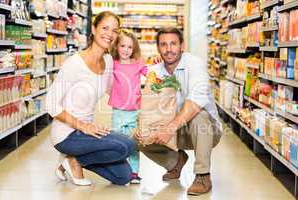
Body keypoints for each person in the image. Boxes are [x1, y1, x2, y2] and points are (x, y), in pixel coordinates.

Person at [45, 11, 135, 186]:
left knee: (123, 176)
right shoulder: (74, 64)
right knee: (126, 146)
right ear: (94, 29)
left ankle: (74, 160)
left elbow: (113, 90)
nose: (110, 34)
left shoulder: (108, 61)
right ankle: (72, 159)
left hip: (88, 131)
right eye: (105, 28)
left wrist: (144, 78)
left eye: (115, 31)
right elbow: (50, 105)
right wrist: (83, 126)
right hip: (67, 134)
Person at [135, 27, 222, 195]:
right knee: (136, 136)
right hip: (173, 130)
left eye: (173, 44)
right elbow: (151, 107)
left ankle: (203, 175)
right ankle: (175, 162)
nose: (169, 49)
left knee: (199, 115)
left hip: (206, 131)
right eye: (164, 45)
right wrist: (144, 127)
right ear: (158, 48)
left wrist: (169, 128)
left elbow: (197, 101)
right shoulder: (154, 72)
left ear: (182, 45)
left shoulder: (194, 64)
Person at [108, 30, 148, 184]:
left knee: (133, 142)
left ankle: (134, 173)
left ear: (134, 49)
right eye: (122, 46)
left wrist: (158, 68)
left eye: (129, 47)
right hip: (119, 110)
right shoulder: (113, 64)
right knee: (118, 142)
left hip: (135, 110)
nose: (125, 50)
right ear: (116, 46)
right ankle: (118, 170)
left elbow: (150, 75)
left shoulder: (138, 63)